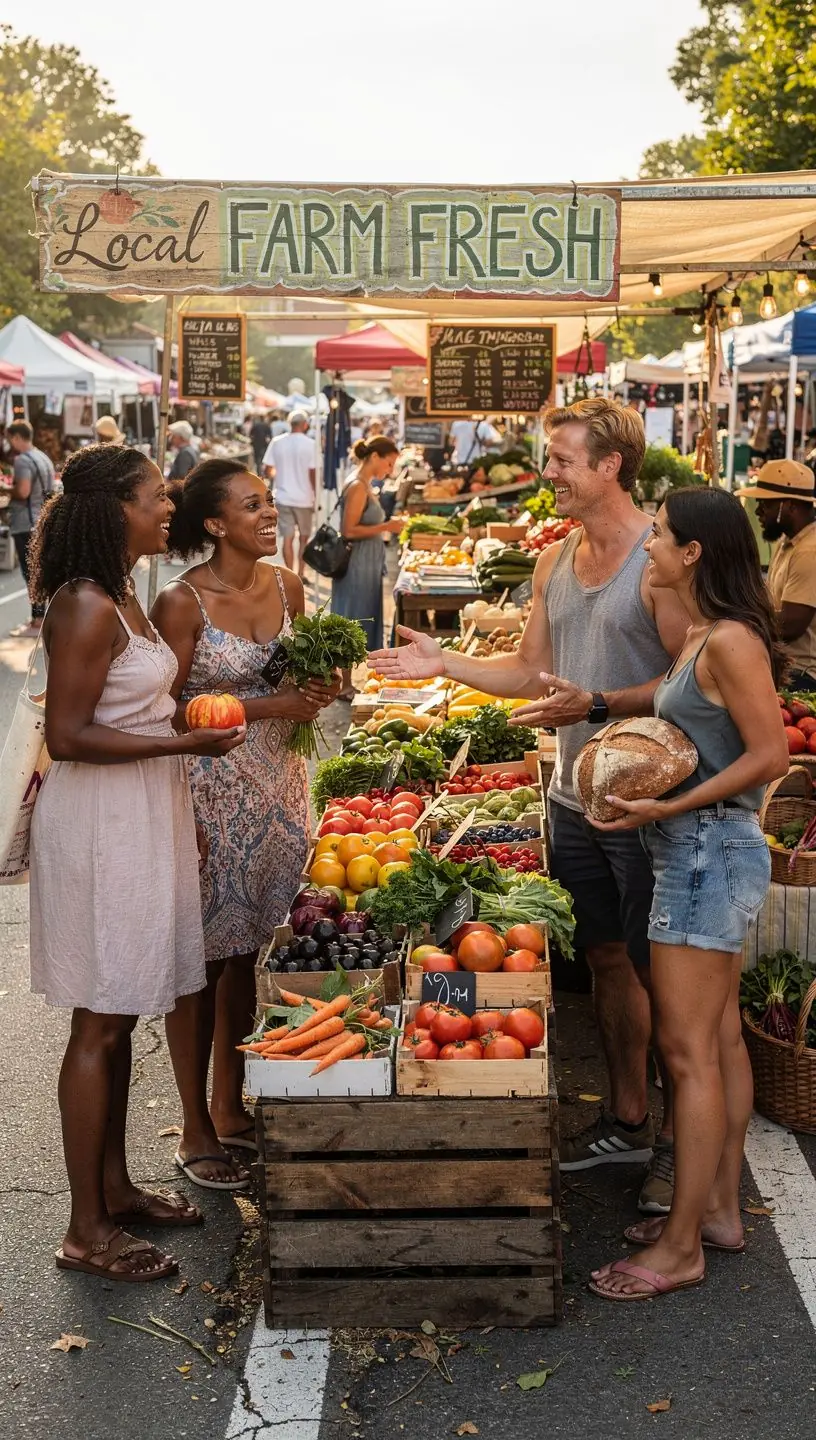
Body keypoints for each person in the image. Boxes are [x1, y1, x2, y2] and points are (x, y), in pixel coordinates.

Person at [370, 398, 689, 1212]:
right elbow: (526, 671)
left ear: (611, 465)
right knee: (609, 960)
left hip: (645, 801)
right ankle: (627, 1117)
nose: (549, 473)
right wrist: (444, 663)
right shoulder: (554, 561)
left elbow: (695, 680)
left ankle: (683, 1156)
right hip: (572, 798)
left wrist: (597, 704)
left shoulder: (658, 560)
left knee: (670, 981)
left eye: (562, 460)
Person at [27, 444, 247, 1282]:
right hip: (100, 825)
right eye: (157, 495)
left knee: (120, 1014)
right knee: (100, 1019)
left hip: (144, 810)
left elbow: (140, 708)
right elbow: (69, 736)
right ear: (115, 507)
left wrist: (180, 792)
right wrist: (188, 740)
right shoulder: (84, 604)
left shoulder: (127, 595)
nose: (171, 505)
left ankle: (115, 1188)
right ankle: (85, 1232)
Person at [586, 488, 787, 1300]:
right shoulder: (702, 632)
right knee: (722, 1043)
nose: (651, 547)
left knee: (686, 1054)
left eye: (662, 535)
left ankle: (681, 1247)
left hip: (704, 852)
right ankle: (719, 1213)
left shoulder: (731, 640)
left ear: (695, 550)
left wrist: (670, 805)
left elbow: (769, 755)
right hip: (700, 850)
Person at [152, 460, 340, 1161]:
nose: (270, 514)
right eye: (253, 505)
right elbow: (162, 709)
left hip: (282, 790)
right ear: (214, 523)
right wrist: (271, 706)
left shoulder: (288, 585)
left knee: (247, 956)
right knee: (199, 964)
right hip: (209, 795)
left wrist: (323, 681)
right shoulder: (181, 602)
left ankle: (231, 1106)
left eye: (269, 502)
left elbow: (306, 674)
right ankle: (194, 1127)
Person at [736, 459, 816, 689]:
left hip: (802, 676)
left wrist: (739, 624)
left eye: (765, 504)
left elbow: (791, 625)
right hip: (783, 665)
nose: (759, 512)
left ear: (789, 506)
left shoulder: (809, 552)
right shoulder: (787, 543)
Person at [332, 436, 403, 658]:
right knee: (353, 617)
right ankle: (344, 684)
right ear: (374, 457)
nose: (391, 470)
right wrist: (387, 526)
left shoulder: (365, 484)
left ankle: (348, 681)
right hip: (357, 563)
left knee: (361, 616)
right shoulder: (357, 486)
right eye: (389, 463)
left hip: (366, 561)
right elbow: (349, 530)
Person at [6, 420, 55, 638]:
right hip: (41, 519)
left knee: (31, 573)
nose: (9, 443)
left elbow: (23, 491)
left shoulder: (22, 461)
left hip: (25, 522)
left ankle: (37, 619)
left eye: (9, 439)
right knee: (40, 570)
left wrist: (7, 489)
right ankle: (41, 616)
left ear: (17, 437)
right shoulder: (42, 457)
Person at [262, 410, 315, 578]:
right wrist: (315, 495)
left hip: (283, 496)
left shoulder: (277, 442)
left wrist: (279, 476)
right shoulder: (311, 444)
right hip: (305, 498)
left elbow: (267, 469)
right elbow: (313, 473)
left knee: (287, 538)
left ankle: (290, 575)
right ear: (305, 425)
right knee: (304, 538)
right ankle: (300, 573)